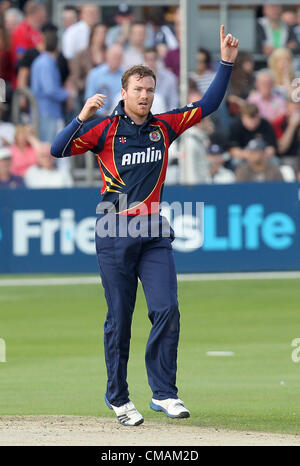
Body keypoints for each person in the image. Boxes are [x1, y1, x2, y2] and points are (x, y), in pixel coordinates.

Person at [51, 25, 239, 427]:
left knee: (167, 309)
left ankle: (164, 393)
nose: (144, 95)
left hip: (153, 231)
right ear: (124, 92)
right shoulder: (104, 130)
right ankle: (118, 398)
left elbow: (207, 104)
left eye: (150, 90)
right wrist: (81, 115)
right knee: (120, 320)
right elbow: (58, 149)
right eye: (138, 89)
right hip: (115, 232)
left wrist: (225, 63)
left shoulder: (164, 126)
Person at [30, 29, 69, 142]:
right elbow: (50, 89)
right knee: (47, 147)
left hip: (45, 111)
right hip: (46, 112)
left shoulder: (42, 61)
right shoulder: (46, 63)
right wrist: (67, 94)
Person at [84, 44, 124, 115]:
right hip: (97, 116)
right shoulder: (95, 74)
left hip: (119, 116)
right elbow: (89, 98)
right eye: (115, 56)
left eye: (119, 57)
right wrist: (103, 113)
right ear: (107, 56)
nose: (117, 60)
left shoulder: (125, 76)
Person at [10, 1, 47, 68]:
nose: (45, 15)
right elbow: (20, 56)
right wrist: (38, 49)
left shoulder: (38, 30)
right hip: (25, 73)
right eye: (43, 12)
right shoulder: (21, 30)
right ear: (37, 13)